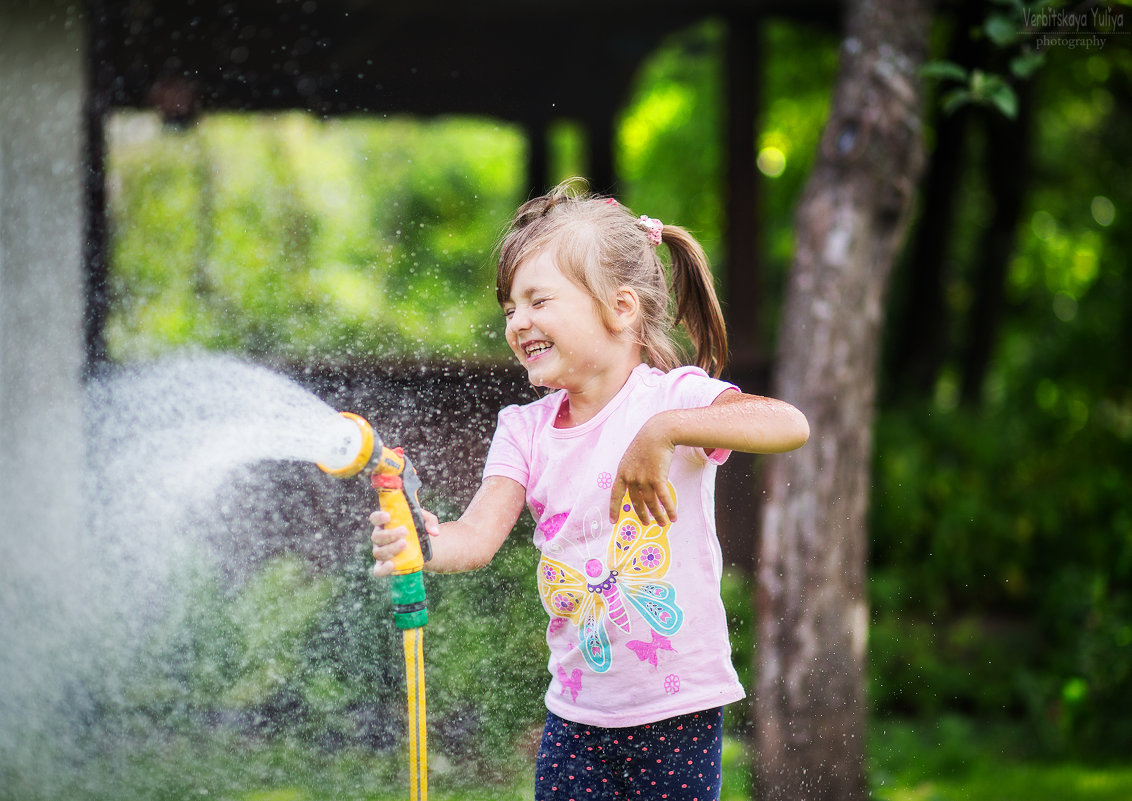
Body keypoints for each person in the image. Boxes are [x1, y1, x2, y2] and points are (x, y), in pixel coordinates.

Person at [369, 179, 809, 800]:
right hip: (575, 720)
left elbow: (790, 424)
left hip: (677, 713)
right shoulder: (525, 430)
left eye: (538, 301)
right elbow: (476, 537)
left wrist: (663, 433)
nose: (519, 322)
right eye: (509, 310)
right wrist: (426, 544)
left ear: (621, 307)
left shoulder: (671, 399)